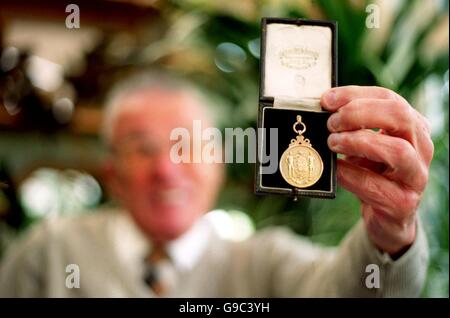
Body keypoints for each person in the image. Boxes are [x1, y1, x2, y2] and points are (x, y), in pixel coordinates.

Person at [0, 72, 433, 297]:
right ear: (111, 173)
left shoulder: (264, 266)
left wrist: (390, 232)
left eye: (188, 145)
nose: (167, 170)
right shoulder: (49, 255)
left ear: (219, 164)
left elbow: (354, 294)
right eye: (141, 148)